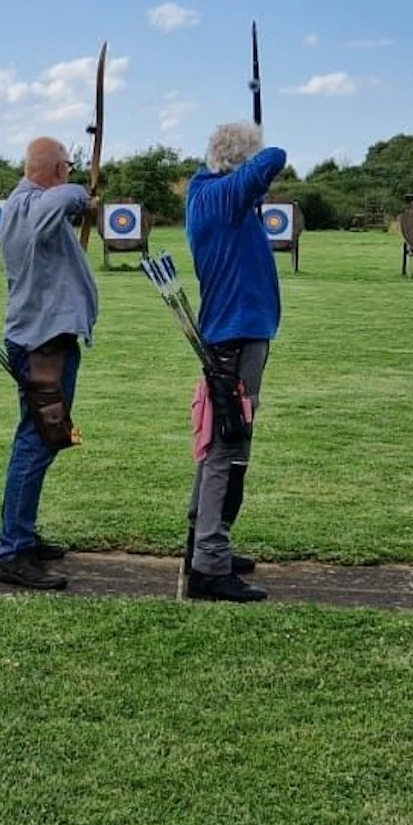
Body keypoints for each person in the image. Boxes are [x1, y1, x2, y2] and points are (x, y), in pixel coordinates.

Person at [181, 122, 286, 602]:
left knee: (217, 442)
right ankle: (209, 563)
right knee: (227, 444)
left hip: (232, 334)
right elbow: (275, 157)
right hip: (237, 337)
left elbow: (254, 172)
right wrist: (255, 161)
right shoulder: (221, 197)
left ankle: (204, 543)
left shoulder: (206, 192)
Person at [0, 137, 99, 590]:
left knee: (40, 439)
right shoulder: (33, 205)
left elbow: (54, 209)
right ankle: (12, 550)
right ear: (57, 169)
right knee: (36, 442)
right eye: (70, 168)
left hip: (43, 341)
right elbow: (58, 203)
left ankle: (22, 535)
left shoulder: (30, 205)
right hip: (43, 345)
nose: (73, 175)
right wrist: (86, 199)